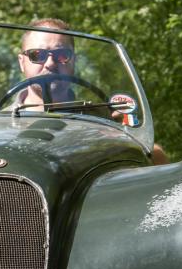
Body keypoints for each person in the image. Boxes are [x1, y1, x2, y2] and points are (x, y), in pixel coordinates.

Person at [17, 18, 168, 165]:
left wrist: (126, 143)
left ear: (73, 60)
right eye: (36, 55)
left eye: (62, 55)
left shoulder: (102, 119)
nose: (50, 63)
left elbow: (152, 156)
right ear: (22, 62)